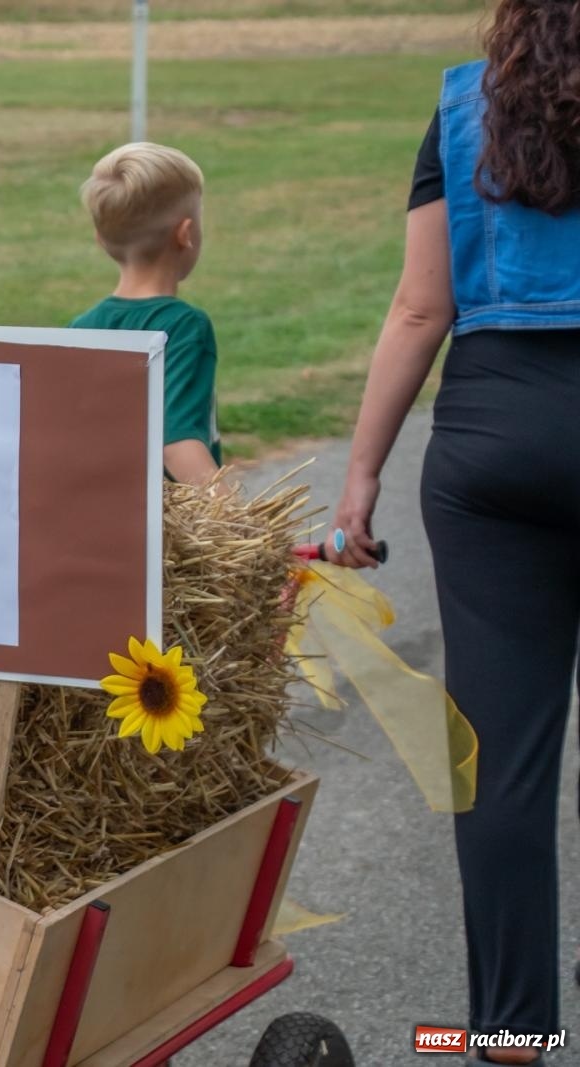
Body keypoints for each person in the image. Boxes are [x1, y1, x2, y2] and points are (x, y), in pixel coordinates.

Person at [325, 4, 580, 1062]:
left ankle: (510, 1035)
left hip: (493, 443)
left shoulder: (461, 110)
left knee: (501, 768)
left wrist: (359, 475)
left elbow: (419, 308)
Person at [71, 142, 222, 487]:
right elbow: (177, 443)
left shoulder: (79, 329)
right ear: (186, 235)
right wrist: (243, 527)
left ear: (99, 239)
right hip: (169, 532)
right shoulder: (184, 327)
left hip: (108, 519)